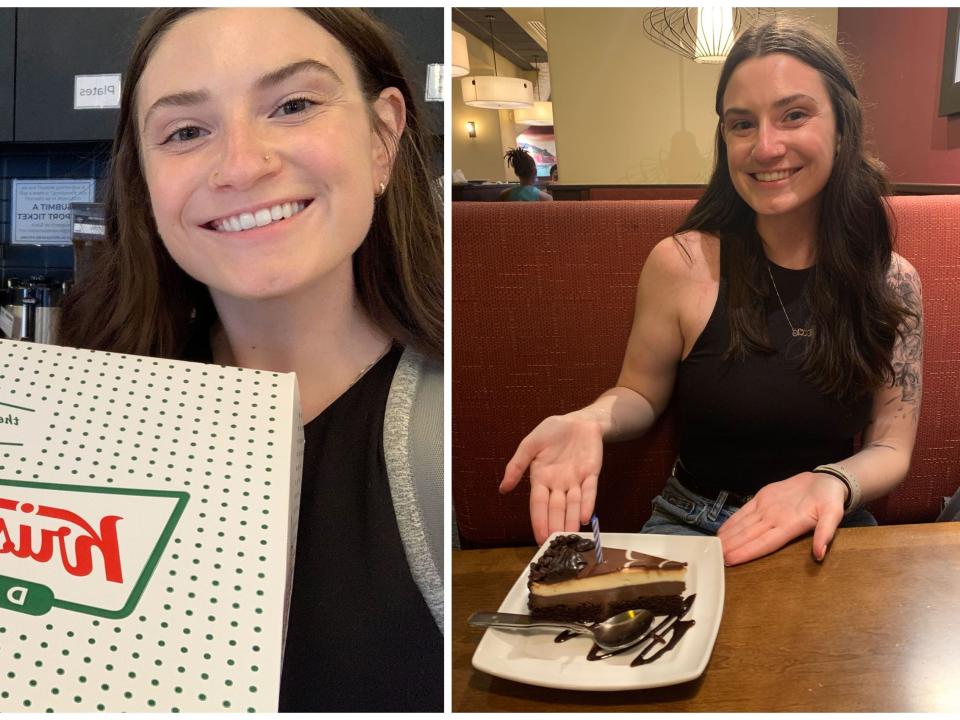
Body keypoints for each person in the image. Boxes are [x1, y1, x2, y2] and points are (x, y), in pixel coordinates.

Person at [57, 8, 442, 712]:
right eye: (186, 131)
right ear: (145, 183)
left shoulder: (451, 425)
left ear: (383, 136)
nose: (240, 165)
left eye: (293, 105)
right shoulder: (79, 425)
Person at [500, 17, 923, 567]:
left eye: (794, 115)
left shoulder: (892, 281)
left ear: (842, 126)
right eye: (742, 124)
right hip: (694, 524)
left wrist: (832, 482)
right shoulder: (680, 262)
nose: (766, 146)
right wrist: (590, 420)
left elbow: (892, 442)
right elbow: (640, 393)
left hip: (830, 521)